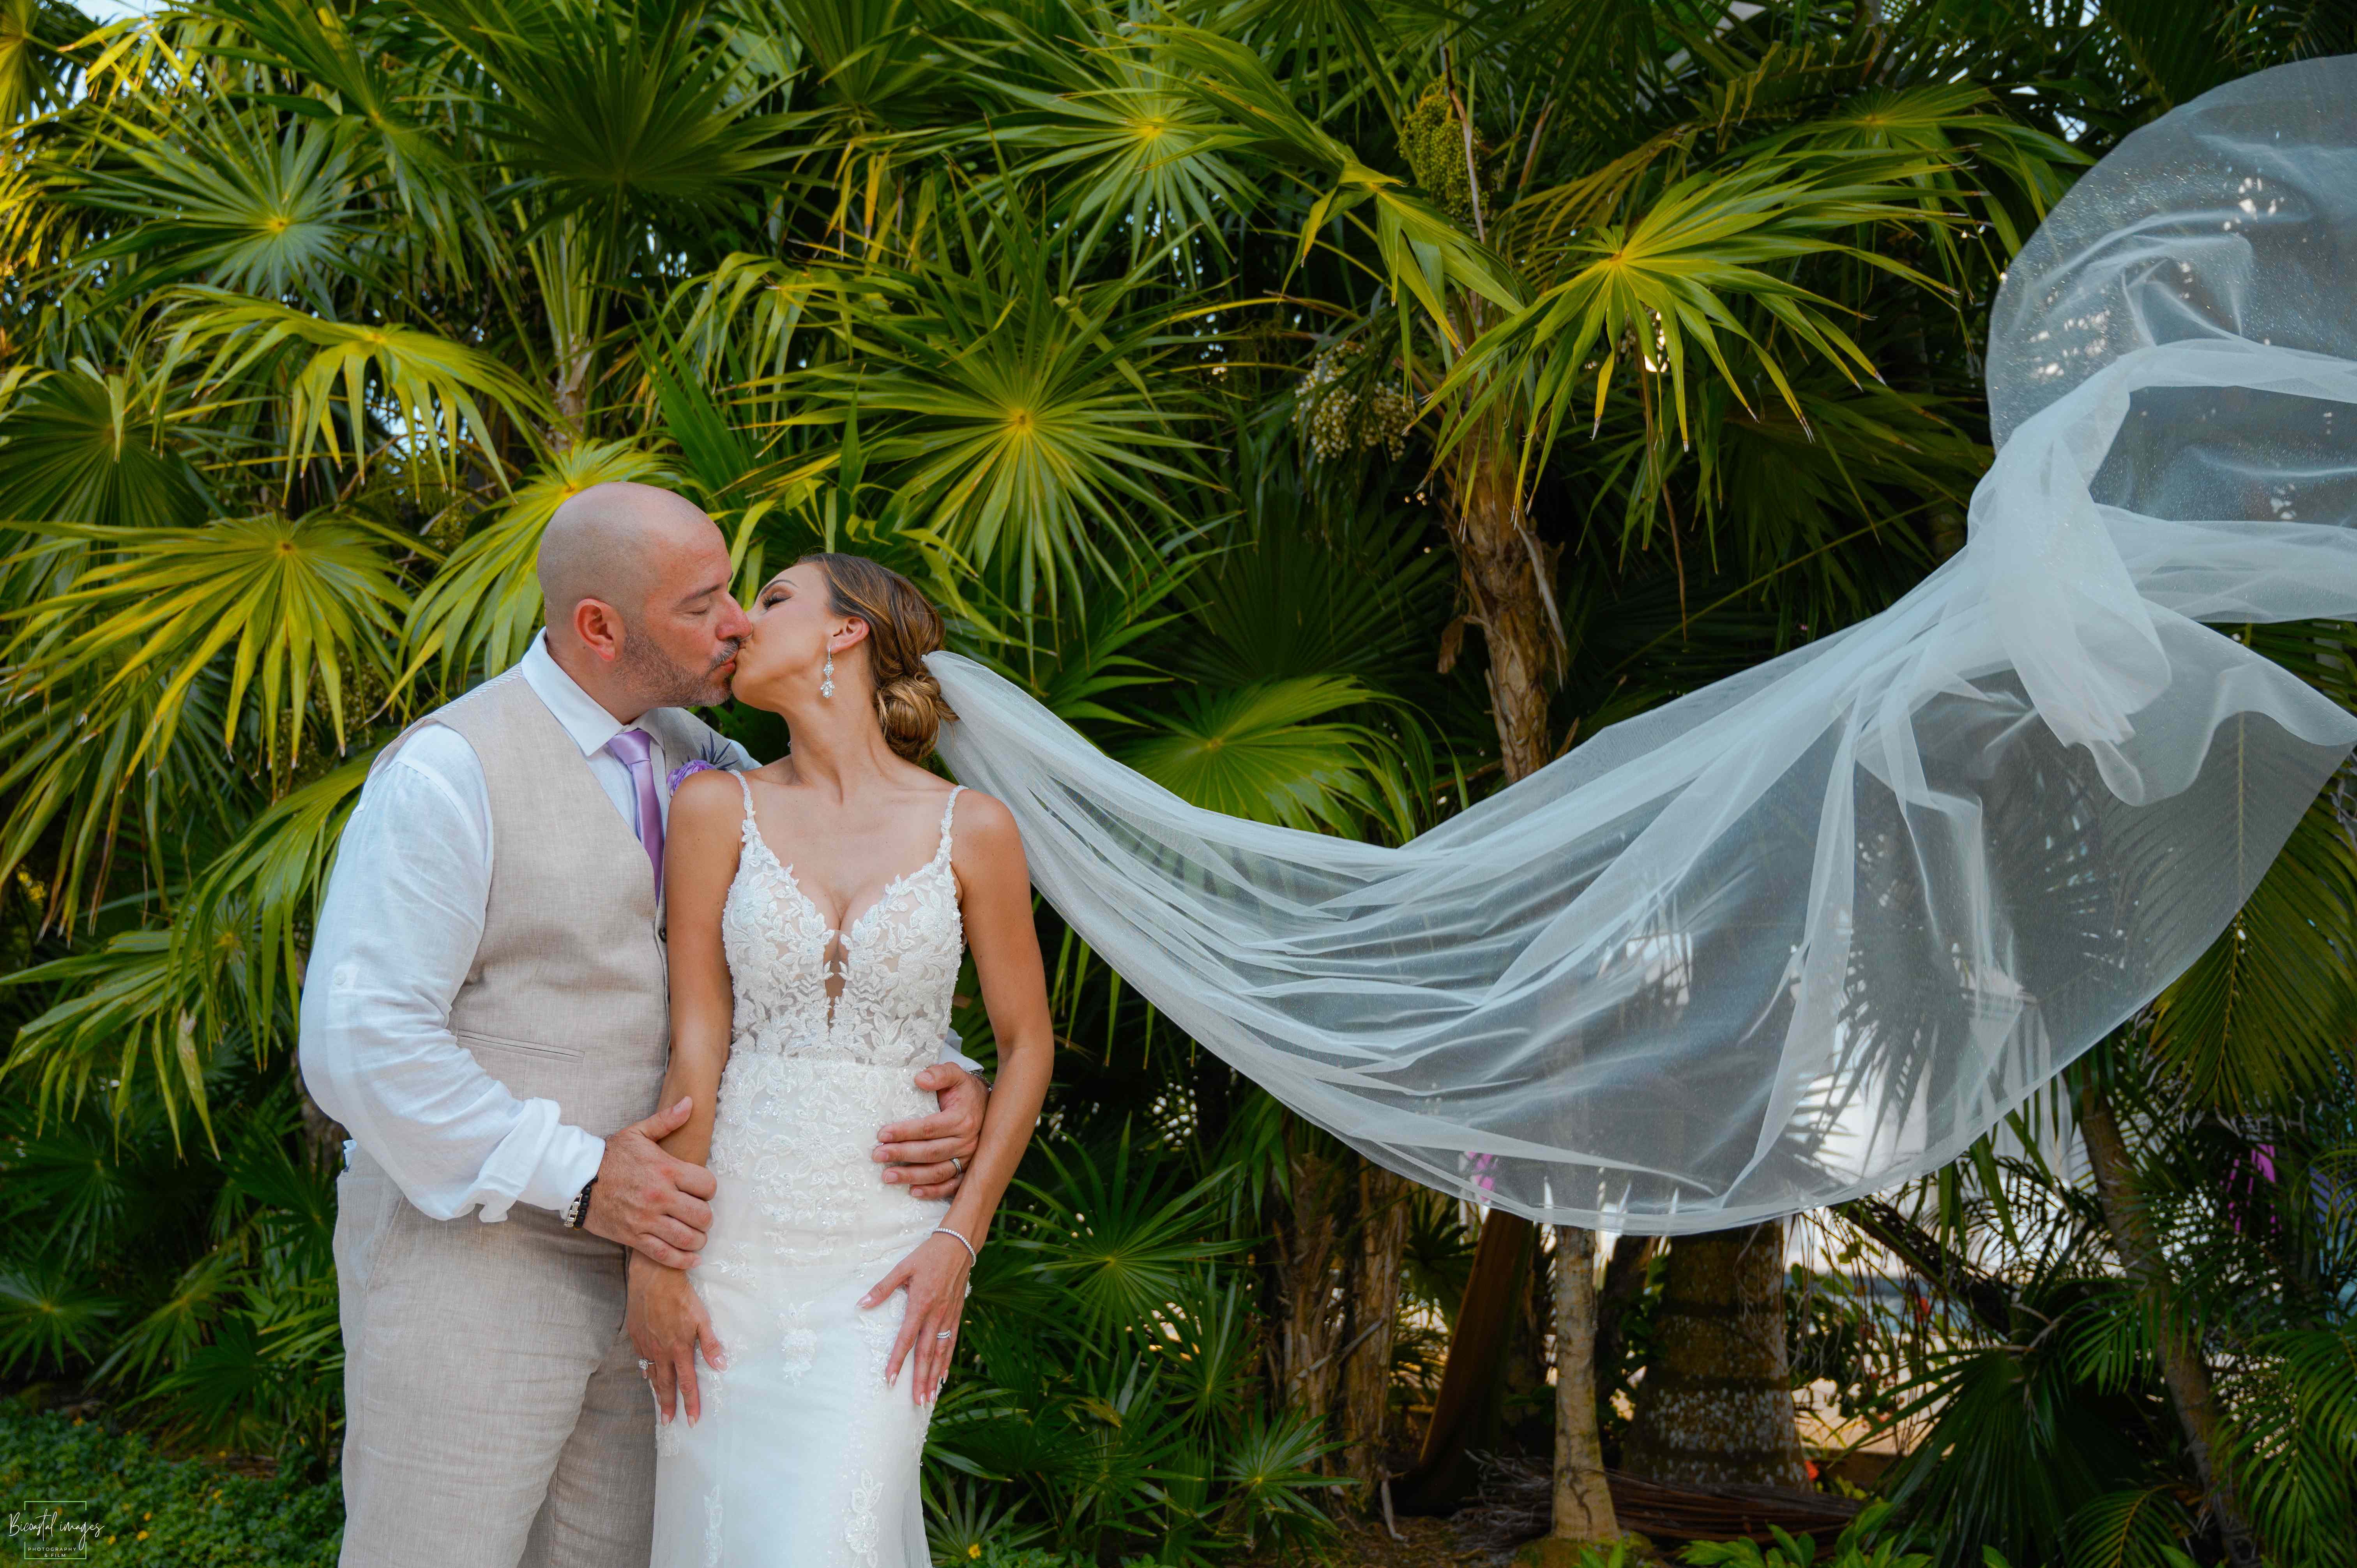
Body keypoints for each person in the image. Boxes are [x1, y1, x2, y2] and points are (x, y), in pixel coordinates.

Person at [300, 485, 992, 1568]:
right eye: (703, 602)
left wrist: (946, 1070)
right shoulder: (453, 770)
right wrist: (583, 1177)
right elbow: (363, 1042)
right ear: (600, 627)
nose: (735, 624)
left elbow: (798, 961)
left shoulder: (708, 766)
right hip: (472, 1269)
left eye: (738, 591)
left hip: (678, 1284)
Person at [631, 553, 1053, 1568]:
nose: (739, 621)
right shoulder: (714, 810)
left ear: (846, 632)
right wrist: (657, 1258)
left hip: (887, 1255)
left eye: (772, 599)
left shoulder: (973, 828)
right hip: (733, 1244)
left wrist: (961, 1239)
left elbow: (1028, 1044)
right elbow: (699, 1041)